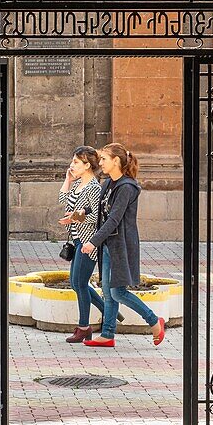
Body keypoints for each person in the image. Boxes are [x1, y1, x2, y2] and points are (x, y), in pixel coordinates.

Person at [81, 143, 165, 349]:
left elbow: (114, 220)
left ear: (116, 161)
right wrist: (80, 215)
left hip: (121, 245)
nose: (100, 163)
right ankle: (107, 334)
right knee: (108, 292)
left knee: (118, 292)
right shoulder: (108, 183)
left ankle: (154, 321)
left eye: (103, 159)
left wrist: (93, 242)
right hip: (109, 245)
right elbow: (100, 211)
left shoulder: (127, 187)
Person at [58, 146, 104, 344]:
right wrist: (68, 179)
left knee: (80, 284)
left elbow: (97, 216)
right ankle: (108, 311)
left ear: (87, 166)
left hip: (89, 242)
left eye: (76, 162)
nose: (72, 165)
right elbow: (63, 200)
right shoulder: (78, 185)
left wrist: (75, 218)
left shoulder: (93, 187)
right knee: (76, 283)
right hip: (78, 241)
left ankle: (84, 327)